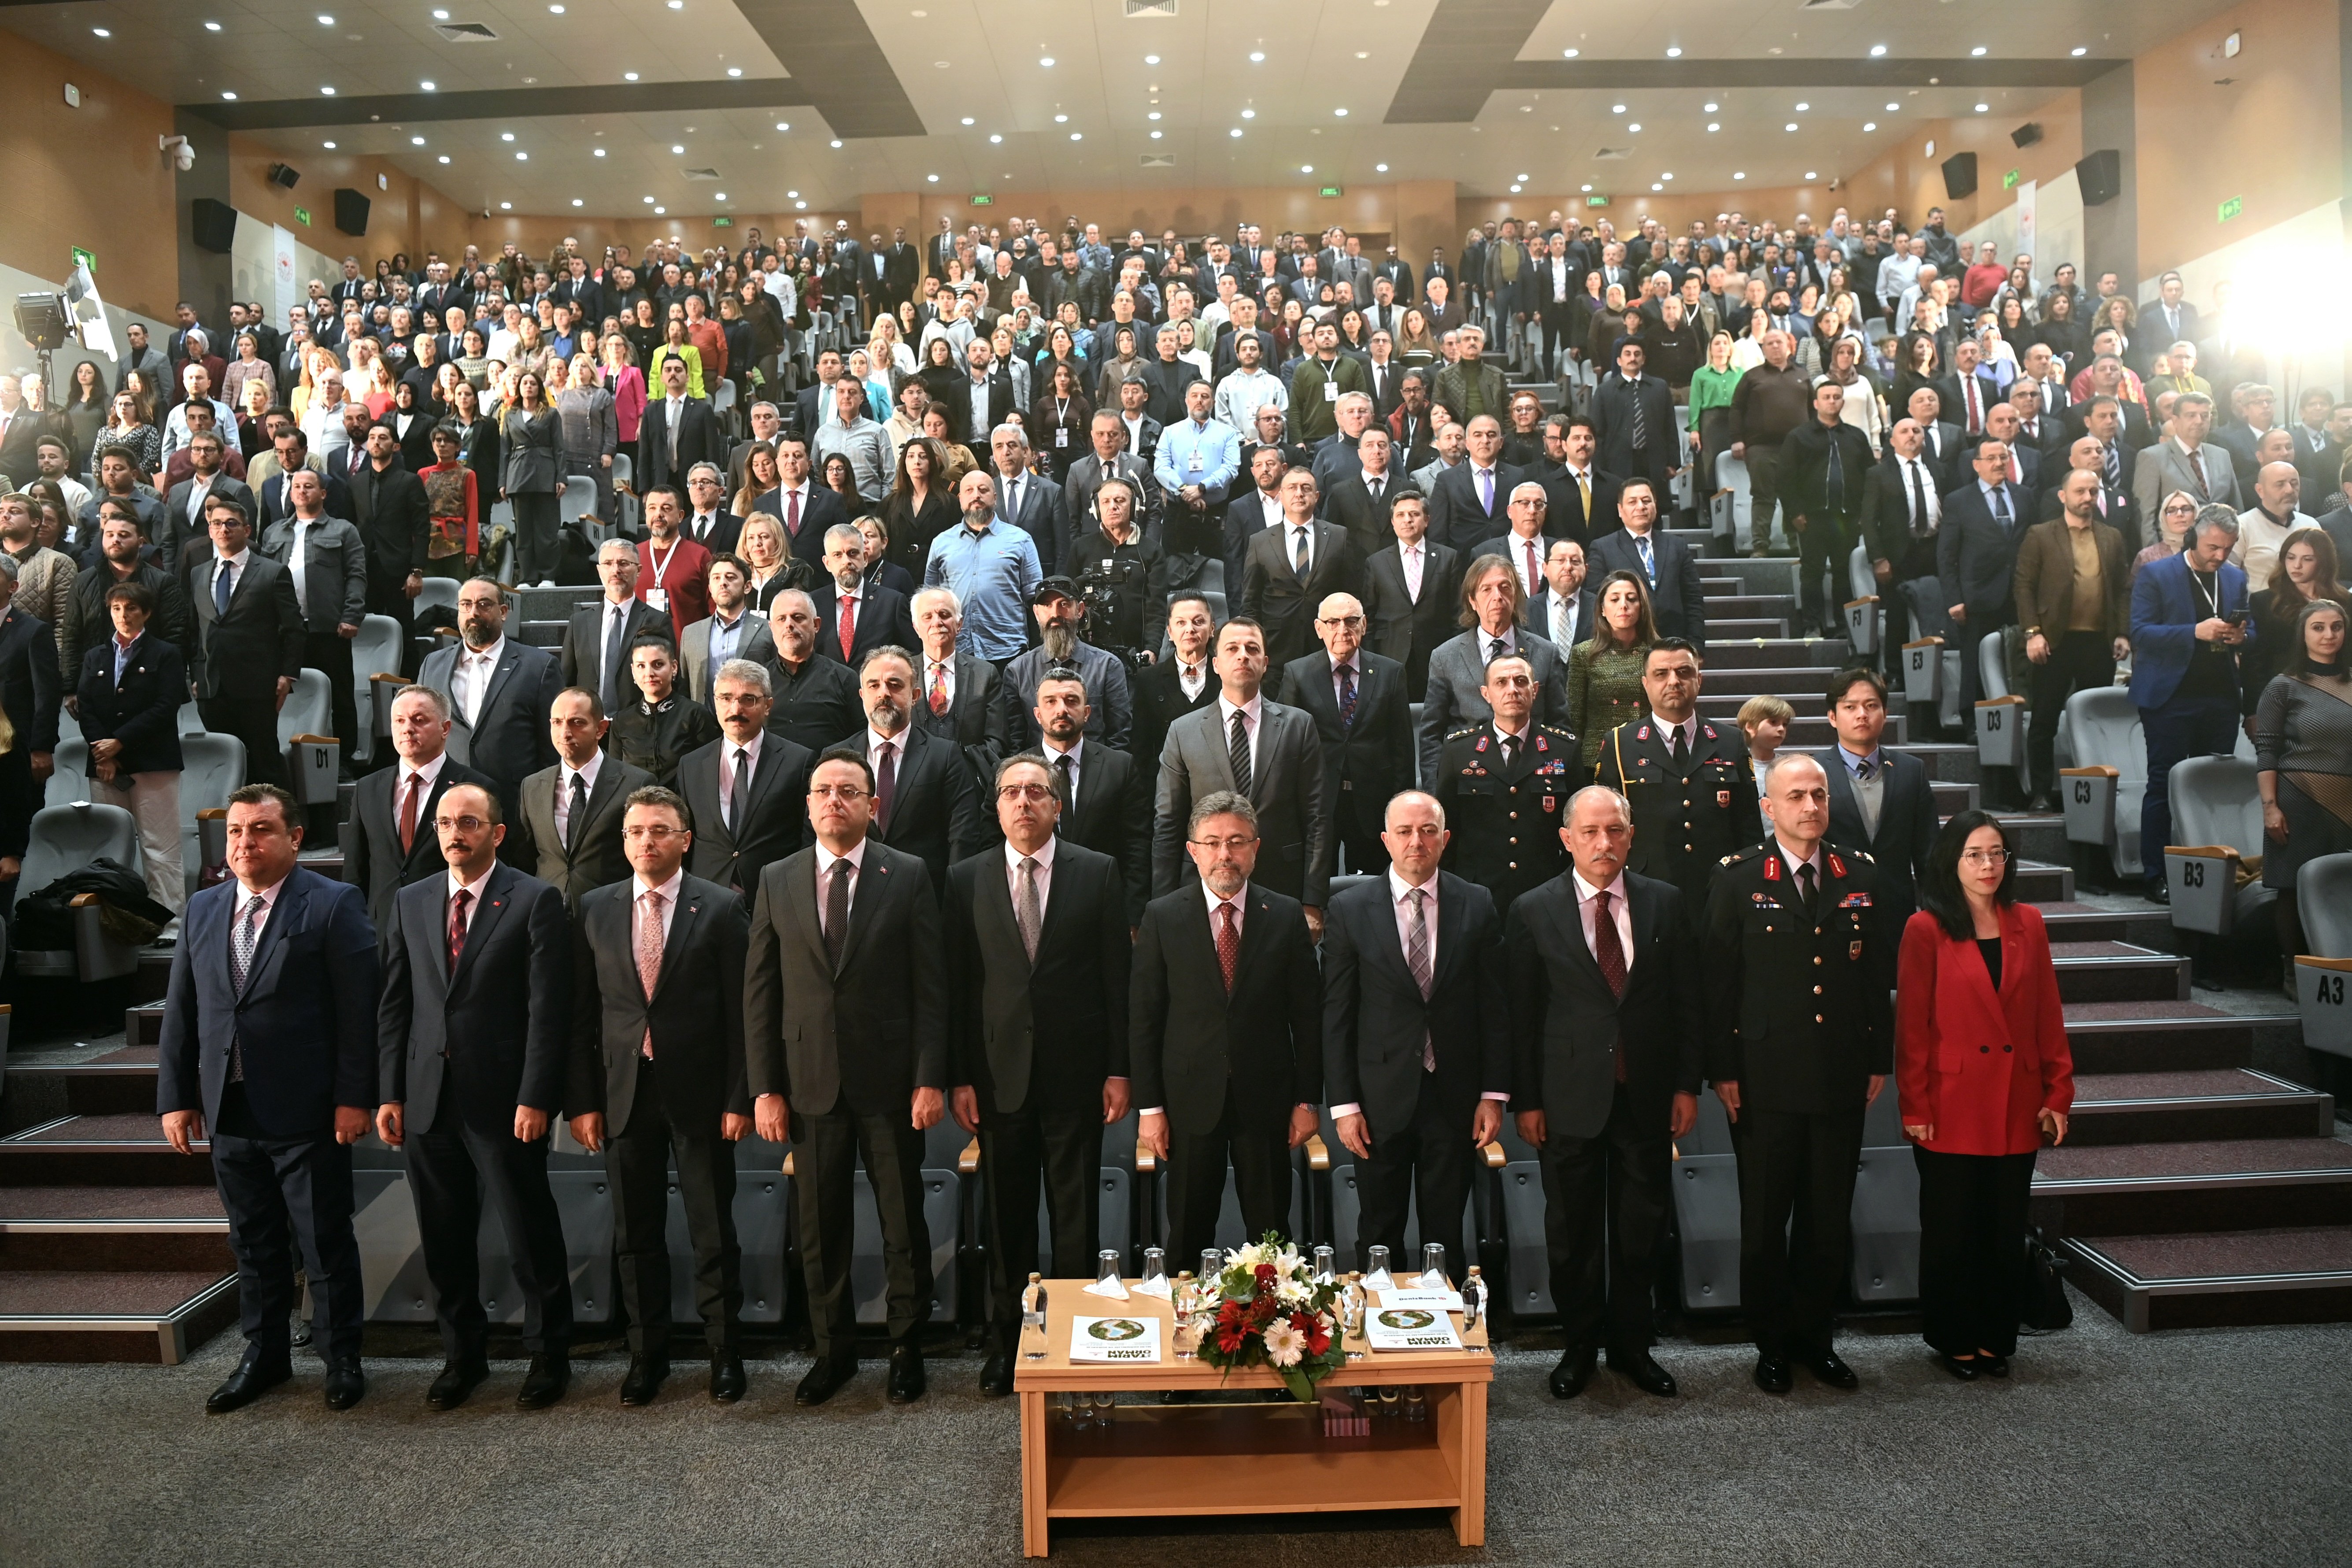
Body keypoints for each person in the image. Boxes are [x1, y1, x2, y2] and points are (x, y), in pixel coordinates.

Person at [155, 784, 378, 1414]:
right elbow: (182, 1010)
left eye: (260, 831)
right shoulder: (203, 909)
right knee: (251, 1242)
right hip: (230, 1106)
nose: (245, 844)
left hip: (309, 1108)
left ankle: (342, 1358)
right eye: (235, 833)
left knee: (323, 1240)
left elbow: (359, 1015)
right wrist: (176, 1095)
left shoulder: (334, 904)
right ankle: (265, 1355)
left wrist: (354, 1096)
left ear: (295, 838)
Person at [745, 750, 948, 1406]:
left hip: (891, 1083)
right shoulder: (776, 878)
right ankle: (832, 1352)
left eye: (850, 791)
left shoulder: (909, 873)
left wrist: (929, 1077)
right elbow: (761, 993)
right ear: (808, 806)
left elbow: (931, 988)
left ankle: (905, 1347)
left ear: (872, 806)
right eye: (824, 791)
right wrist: (765, 1087)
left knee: (901, 1223)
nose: (836, 800)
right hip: (806, 1085)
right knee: (819, 1225)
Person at [374, 781, 574, 1412]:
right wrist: (390, 1092)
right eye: (444, 822)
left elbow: (549, 1013)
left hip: (506, 1100)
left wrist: (537, 1095)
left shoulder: (535, 899)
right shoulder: (411, 900)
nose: (455, 833)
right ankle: (464, 1356)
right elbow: (395, 1006)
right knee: (443, 1237)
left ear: (497, 833)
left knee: (528, 1233)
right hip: (428, 1098)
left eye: (468, 822)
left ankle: (549, 1355)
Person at [1703, 754, 1895, 1394]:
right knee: (1764, 1224)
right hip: (1763, 1080)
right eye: (1796, 796)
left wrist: (1878, 1058)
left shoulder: (1859, 872)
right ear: (1768, 806)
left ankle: (1818, 1338)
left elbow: (1876, 980)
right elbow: (1719, 985)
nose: (1811, 806)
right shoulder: (1736, 878)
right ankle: (1772, 1344)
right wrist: (1722, 1069)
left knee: (1826, 1221)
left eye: (1819, 794)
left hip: (1840, 1072)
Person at [945, 752, 1133, 1398]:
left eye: (1036, 792)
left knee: (1075, 1216)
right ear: (996, 807)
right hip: (997, 1079)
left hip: (1077, 1075)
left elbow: (1117, 980)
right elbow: (960, 988)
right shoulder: (964, 878)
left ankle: (1078, 1338)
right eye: (1011, 793)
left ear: (1057, 805)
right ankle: (1008, 1344)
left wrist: (1118, 1069)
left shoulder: (1099, 873)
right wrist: (961, 1076)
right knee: (1007, 1218)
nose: (1024, 802)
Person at [1507, 784, 1702, 1398]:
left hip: (1646, 1093)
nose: (1603, 842)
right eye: (1590, 832)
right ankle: (1578, 1348)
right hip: (1566, 1100)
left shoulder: (1666, 904)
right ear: (1566, 839)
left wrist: (1684, 1086)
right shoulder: (1532, 909)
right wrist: (1527, 1100)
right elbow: (1521, 1016)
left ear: (1630, 835)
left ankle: (1633, 1346)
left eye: (1614, 830)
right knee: (1572, 1233)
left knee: (1642, 1228)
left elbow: (1685, 1006)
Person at [567, 785, 754, 1407]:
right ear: (623, 841)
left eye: (660, 830)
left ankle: (726, 1356)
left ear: (685, 840)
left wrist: (739, 1097)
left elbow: (743, 1016)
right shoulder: (594, 907)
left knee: (711, 1232)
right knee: (635, 1235)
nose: (647, 841)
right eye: (636, 831)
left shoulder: (723, 908)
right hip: (623, 1095)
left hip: (700, 1095)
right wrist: (584, 1101)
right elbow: (582, 1016)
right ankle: (648, 1357)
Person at [1895, 811, 2073, 1381]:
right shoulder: (1926, 928)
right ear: (1952, 861)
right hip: (1950, 1103)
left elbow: (2048, 1014)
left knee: (2003, 1230)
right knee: (1952, 1232)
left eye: (1997, 853)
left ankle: (1996, 1338)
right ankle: (1953, 1337)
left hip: (2016, 1100)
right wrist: (1915, 1105)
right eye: (1975, 854)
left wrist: (2059, 1092)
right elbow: (1913, 1028)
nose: (1989, 865)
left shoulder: (2030, 922)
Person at [1129, 791, 1322, 1267]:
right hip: (1189, 1100)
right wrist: (1151, 1107)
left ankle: (1279, 1335)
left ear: (1256, 848)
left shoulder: (1284, 916)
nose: (1225, 854)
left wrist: (1305, 1099)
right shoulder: (1162, 916)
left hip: (1268, 1099)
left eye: (1237, 842)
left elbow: (1310, 1018)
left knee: (1273, 1238)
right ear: (1192, 849)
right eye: (1212, 842)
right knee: (1188, 1231)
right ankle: (1187, 1334)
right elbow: (1145, 1018)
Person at [1322, 788, 1507, 1278]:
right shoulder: (1350, 908)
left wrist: (1493, 1094)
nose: (1416, 842)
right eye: (1405, 831)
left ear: (1445, 839)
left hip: (1455, 1095)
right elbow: (1338, 1014)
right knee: (1378, 1230)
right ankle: (1383, 1343)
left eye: (1428, 831)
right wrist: (1343, 1106)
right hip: (1378, 1099)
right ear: (1385, 839)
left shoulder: (1477, 902)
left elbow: (1495, 1007)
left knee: (1445, 1232)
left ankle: (1444, 1344)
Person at [1149, 616, 1329, 919]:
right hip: (1205, 884)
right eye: (1232, 649)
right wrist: (1164, 904)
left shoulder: (1298, 725)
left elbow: (1317, 817)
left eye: (1252, 649)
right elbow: (1168, 823)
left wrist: (1313, 901)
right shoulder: (1184, 731)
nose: (1243, 655)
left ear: (1265, 662)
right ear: (1216, 663)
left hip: (1283, 885)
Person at [2129, 507, 2252, 902]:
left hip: (2220, 698)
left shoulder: (2234, 577)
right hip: (2169, 697)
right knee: (2163, 783)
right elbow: (2141, 633)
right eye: (2213, 547)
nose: (2220, 556)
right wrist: (2193, 632)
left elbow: (2255, 631)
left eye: (2227, 549)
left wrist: (2241, 638)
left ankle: (2213, 874)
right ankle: (2156, 874)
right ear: (2192, 539)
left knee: (2212, 789)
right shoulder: (2157, 574)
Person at [1591, 637, 1762, 907]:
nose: (1673, 681)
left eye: (1684, 672)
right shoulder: (1619, 744)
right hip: (1645, 888)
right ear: (1645, 683)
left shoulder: (1730, 741)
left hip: (1719, 887)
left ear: (1699, 680)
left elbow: (1748, 823)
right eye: (1661, 674)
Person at [2014, 468, 2135, 809]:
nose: (2087, 498)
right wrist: (2033, 633)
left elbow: (2123, 589)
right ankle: (2040, 791)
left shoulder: (2111, 536)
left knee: (2096, 722)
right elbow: (2024, 586)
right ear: (2063, 496)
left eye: (2093, 492)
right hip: (2055, 640)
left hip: (2098, 641)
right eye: (2080, 491)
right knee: (2044, 719)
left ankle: (2094, 798)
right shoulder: (2040, 534)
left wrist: (2122, 631)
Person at [1275, 592, 1411, 878]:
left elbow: (1402, 749)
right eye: (1333, 622)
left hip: (1373, 802)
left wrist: (1400, 807)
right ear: (1319, 628)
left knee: (1372, 888)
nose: (1342, 630)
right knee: (1314, 884)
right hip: (1318, 799)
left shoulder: (1391, 673)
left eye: (1351, 621)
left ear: (1364, 625)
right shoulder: (1298, 674)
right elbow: (1286, 747)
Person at [1432, 651, 1576, 916]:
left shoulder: (1563, 750)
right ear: (1486, 693)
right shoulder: (1459, 750)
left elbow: (1577, 830)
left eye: (1521, 682)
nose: (1512, 690)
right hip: (1477, 890)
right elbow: (1447, 828)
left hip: (1545, 888)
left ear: (1535, 691)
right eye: (1502, 682)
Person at [347, 684, 497, 934]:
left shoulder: (477, 788)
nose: (408, 729)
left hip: (449, 928)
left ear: (445, 729)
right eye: (400, 720)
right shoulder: (368, 788)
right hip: (382, 929)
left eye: (419, 720)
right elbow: (356, 871)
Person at [76, 581, 187, 916]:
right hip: (105, 765)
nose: (124, 615)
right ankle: (116, 922)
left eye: (132, 608)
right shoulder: (95, 656)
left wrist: (120, 743)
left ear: (147, 613)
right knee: (111, 847)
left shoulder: (165, 653)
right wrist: (103, 754)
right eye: (116, 608)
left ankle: (168, 922)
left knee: (159, 845)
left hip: (153, 762)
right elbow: (86, 707)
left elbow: (166, 706)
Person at [839, 644, 983, 891]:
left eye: (895, 685)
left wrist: (955, 900)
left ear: (915, 696)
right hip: (854, 895)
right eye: (874, 685)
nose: (884, 693)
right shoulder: (838, 758)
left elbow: (962, 837)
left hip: (926, 895)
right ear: (862, 695)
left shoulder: (944, 755)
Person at [2256, 598, 2352, 961]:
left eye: (2337, 627)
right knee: (2292, 888)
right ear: (2303, 633)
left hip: (2349, 800)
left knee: (2345, 887)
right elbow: (2267, 751)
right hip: (2299, 801)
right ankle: (2293, 973)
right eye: (2319, 627)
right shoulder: (2283, 687)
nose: (2329, 635)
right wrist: (2270, 808)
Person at [1416, 555, 1568, 783]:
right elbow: (1431, 736)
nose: (1497, 597)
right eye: (1486, 590)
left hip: (1532, 776)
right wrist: (1436, 794)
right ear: (1472, 601)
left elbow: (1560, 726)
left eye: (1505, 588)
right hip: (1469, 778)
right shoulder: (1445, 657)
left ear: (1516, 596)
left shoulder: (1546, 653)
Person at [189, 496, 305, 789]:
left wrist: (287, 675)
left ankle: (278, 828)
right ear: (210, 530)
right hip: (212, 688)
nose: (223, 529)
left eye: (231, 523)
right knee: (225, 768)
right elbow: (194, 628)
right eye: (217, 523)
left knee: (264, 764)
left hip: (257, 686)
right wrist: (196, 673)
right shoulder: (199, 573)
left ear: (247, 530)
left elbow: (294, 628)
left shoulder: (272, 572)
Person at [677, 656, 816, 898]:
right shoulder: (691, 765)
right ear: (715, 702)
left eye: (748, 699)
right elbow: (684, 839)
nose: (736, 709)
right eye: (726, 698)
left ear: (768, 705)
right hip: (706, 897)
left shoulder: (799, 761)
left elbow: (807, 839)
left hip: (776, 894)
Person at [258, 468, 366, 766]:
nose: (302, 491)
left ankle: (344, 761)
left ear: (323, 493)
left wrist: (352, 615)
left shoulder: (343, 530)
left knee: (340, 695)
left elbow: (356, 575)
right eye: (297, 487)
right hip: (285, 629)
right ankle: (284, 761)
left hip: (328, 626)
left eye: (309, 486)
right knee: (282, 695)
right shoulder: (274, 532)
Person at [514, 687, 656, 908]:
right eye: (557, 722)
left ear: (601, 729)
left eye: (577, 723)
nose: (565, 733)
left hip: (612, 912)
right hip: (547, 913)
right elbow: (524, 859)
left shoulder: (635, 783)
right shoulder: (531, 787)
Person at [1779, 380, 1879, 636]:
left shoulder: (1857, 437)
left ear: (1843, 402)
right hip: (1812, 519)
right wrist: (1795, 513)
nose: (1832, 401)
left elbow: (1871, 478)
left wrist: (1863, 515)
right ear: (1816, 403)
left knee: (1844, 573)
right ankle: (1812, 624)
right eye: (1827, 397)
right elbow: (1786, 478)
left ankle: (1843, 626)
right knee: (1812, 573)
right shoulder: (1798, 437)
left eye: (1837, 397)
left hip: (1848, 518)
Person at [1242, 465, 1364, 670]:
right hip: (1277, 648)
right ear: (1281, 495)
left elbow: (1352, 593)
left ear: (1316, 496)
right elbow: (1250, 603)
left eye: (1306, 488)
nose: (1299, 493)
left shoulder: (1338, 537)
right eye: (1292, 488)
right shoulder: (1260, 542)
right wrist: (1257, 645)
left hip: (1328, 646)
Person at [925, 469, 1042, 665]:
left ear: (995, 498)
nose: (976, 496)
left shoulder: (1020, 540)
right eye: (969, 491)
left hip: (1008, 650)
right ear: (960, 498)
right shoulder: (941, 543)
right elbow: (930, 597)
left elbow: (1035, 599)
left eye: (983, 490)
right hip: (957, 650)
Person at [1358, 489, 1459, 701]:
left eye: (1414, 514)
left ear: (1427, 520)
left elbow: (1458, 613)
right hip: (1390, 655)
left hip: (1436, 654)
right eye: (1401, 515)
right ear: (1393, 522)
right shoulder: (1376, 563)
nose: (1408, 520)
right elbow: (1369, 617)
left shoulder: (1448, 558)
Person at [1587, 478, 1705, 648]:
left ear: (1655, 506)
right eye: (1633, 502)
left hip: (1674, 643)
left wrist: (1696, 647)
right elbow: (1595, 602)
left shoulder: (1677, 546)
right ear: (1620, 510)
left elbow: (1693, 600)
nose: (1641, 507)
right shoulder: (1603, 548)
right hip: (1624, 646)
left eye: (1646, 501)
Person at [561, 540, 669, 714]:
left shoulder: (657, 621)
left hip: (638, 724)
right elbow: (567, 681)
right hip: (589, 722)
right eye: (608, 564)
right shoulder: (579, 623)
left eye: (624, 563)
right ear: (599, 570)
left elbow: (666, 680)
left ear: (639, 570)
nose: (615, 570)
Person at [1566, 571, 1656, 769]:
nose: (1623, 605)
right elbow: (1575, 717)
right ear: (1603, 609)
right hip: (1598, 756)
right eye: (1615, 599)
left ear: (1642, 607)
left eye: (1632, 599)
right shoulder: (1584, 653)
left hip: (1648, 752)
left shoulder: (1657, 653)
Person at [611, 636, 721, 788]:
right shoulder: (622, 721)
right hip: (634, 807)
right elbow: (615, 777)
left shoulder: (695, 714)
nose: (649, 673)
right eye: (641, 666)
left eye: (658, 665)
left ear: (674, 667)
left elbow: (710, 772)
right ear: (633, 671)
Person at [1738, 694, 1793, 796]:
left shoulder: (1789, 767)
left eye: (1785, 724)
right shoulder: (1738, 766)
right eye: (1773, 722)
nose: (1781, 729)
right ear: (1750, 727)